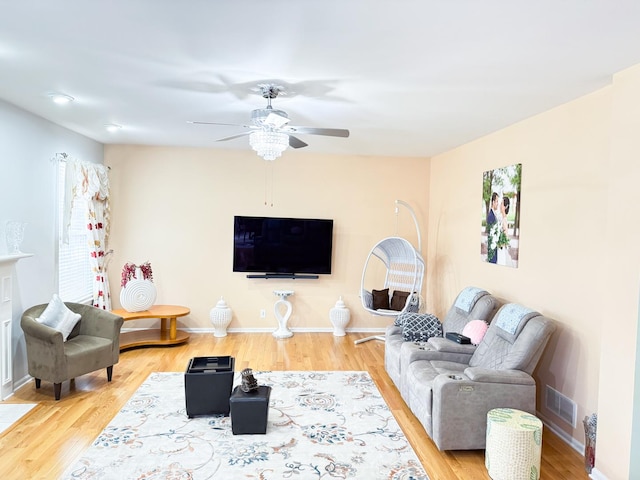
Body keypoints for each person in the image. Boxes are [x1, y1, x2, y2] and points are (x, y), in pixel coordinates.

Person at [497, 196, 511, 266]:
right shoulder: (500, 217)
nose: (500, 205)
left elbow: (506, 238)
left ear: (505, 207)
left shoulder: (504, 220)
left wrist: (499, 243)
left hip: (500, 249)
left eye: (502, 204)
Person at [486, 192, 499, 263]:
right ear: (493, 202)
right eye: (497, 201)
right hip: (492, 249)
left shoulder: (494, 214)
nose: (497, 203)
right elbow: (490, 234)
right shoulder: (490, 215)